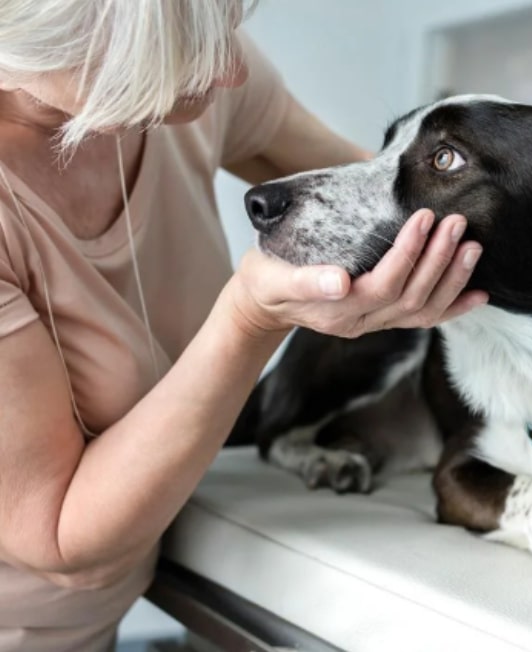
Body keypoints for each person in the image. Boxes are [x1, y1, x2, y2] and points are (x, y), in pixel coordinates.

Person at [0, 1, 487, 650]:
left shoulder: (192, 72)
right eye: (193, 48)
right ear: (51, 45)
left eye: (228, 23)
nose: (231, 69)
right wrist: (250, 318)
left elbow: (387, 207)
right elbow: (59, 535)